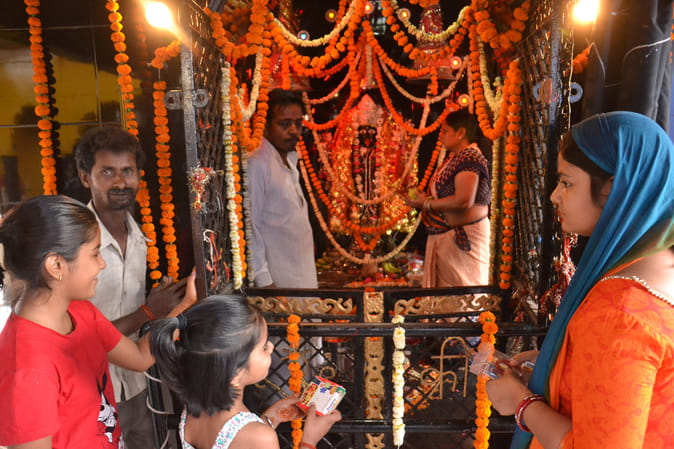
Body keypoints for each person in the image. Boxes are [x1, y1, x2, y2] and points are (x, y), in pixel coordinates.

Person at [485, 111, 674, 449]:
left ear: (613, 188)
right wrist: (558, 367)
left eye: (567, 182)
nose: (555, 196)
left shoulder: (618, 314)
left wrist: (520, 402)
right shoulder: (659, 266)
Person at [0, 195, 159, 448]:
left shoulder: (80, 311)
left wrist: (183, 312)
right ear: (56, 265)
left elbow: (140, 357)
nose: (102, 263)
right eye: (95, 253)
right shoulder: (28, 368)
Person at [74, 126, 193, 448]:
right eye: (107, 172)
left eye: (127, 171)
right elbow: (82, 337)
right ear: (85, 177)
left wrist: (170, 302)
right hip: (90, 387)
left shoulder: (143, 239)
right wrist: (148, 312)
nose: (120, 182)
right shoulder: (74, 243)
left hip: (139, 383)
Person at [149, 295, 342, 449]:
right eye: (264, 347)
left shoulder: (194, 409)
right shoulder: (260, 437)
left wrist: (272, 417)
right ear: (235, 372)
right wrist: (309, 440)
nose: (271, 348)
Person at [406, 108, 491, 287]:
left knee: (462, 298)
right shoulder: (455, 157)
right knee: (447, 299)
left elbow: (464, 200)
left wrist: (427, 204)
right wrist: (425, 199)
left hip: (466, 243)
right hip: (449, 242)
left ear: (461, 133)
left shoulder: (470, 157)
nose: (441, 136)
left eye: (445, 131)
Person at [248, 89, 317, 289]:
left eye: (298, 123)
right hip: (277, 285)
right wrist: (264, 282)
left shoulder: (290, 160)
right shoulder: (257, 163)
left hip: (301, 278)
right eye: (285, 124)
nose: (294, 130)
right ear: (265, 125)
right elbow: (250, 225)